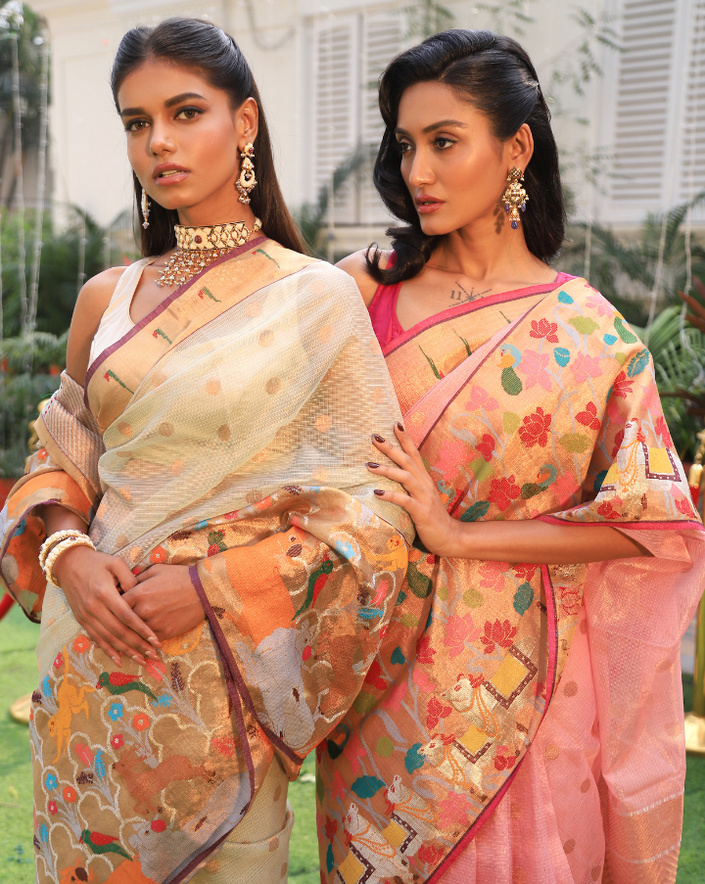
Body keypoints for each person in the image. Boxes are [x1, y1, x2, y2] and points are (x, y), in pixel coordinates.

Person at [0, 18, 416, 884]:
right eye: (135, 121)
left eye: (186, 113)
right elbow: (60, 451)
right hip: (88, 662)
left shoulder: (315, 298)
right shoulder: (107, 299)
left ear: (247, 124)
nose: (158, 142)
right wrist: (68, 551)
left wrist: (214, 584)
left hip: (222, 670)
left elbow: (377, 511)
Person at [321, 29, 705, 884]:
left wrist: (458, 537)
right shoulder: (362, 294)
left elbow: (654, 525)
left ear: (516, 147)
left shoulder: (589, 331)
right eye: (405, 145)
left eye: (444, 142)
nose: (416, 170)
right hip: (380, 690)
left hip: (534, 692)